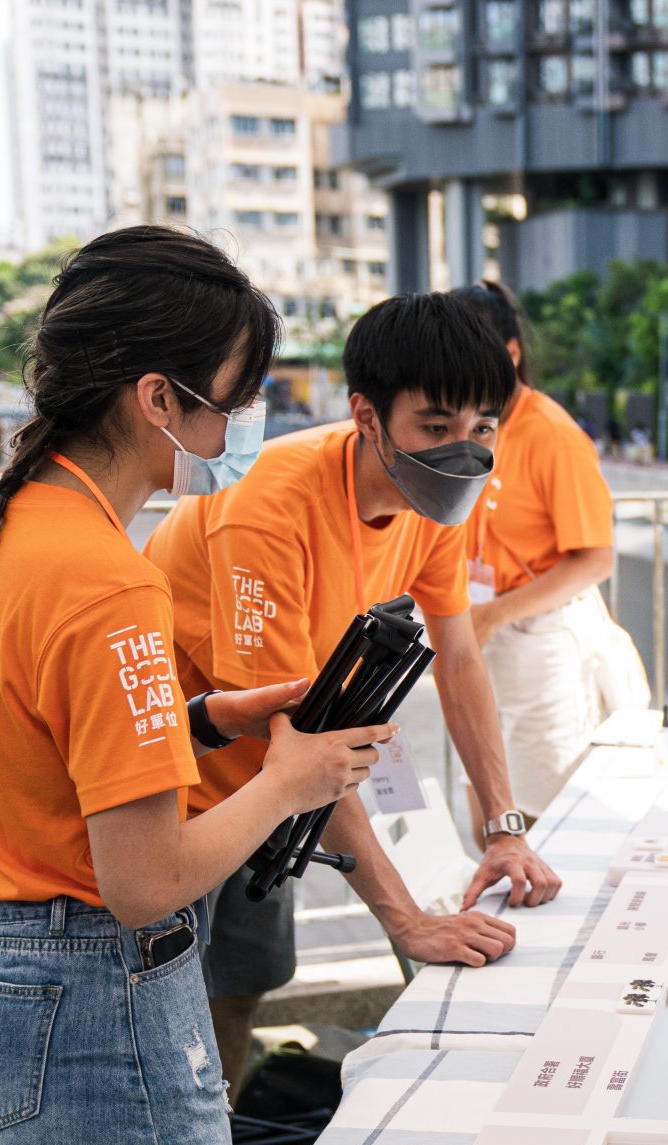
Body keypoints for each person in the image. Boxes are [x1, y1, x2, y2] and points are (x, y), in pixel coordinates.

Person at [0, 226, 395, 1145]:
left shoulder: (2, 520)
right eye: (232, 400)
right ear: (158, 400)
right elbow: (145, 880)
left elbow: (40, 749)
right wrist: (288, 779)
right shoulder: (108, 582)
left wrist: (209, 717)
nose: (238, 429)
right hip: (80, 1011)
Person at [145, 292, 562, 1096]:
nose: (464, 449)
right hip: (177, 793)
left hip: (271, 799)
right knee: (166, 1016)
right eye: (434, 425)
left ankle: (222, 1140)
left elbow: (460, 658)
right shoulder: (266, 508)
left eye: (483, 427)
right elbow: (293, 739)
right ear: (367, 416)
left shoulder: (432, 502)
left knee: (242, 984)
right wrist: (405, 919)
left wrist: (503, 826)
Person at [450, 280, 622, 825]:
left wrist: (496, 613)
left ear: (512, 353)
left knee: (539, 813)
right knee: (481, 799)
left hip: (540, 636)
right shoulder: (463, 425)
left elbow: (595, 559)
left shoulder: (552, 433)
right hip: (479, 628)